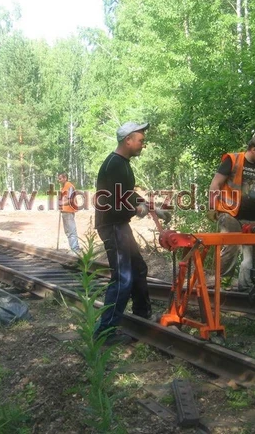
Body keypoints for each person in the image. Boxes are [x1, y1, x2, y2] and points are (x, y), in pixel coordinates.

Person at [94, 121, 170, 345]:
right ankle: (105, 333)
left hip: (119, 224)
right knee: (123, 278)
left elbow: (127, 193)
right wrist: (137, 209)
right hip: (112, 225)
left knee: (138, 269)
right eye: (140, 140)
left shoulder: (123, 163)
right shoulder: (115, 164)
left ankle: (142, 316)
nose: (142, 145)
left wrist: (151, 206)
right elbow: (111, 201)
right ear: (128, 140)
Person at [207, 134, 255, 292]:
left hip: (254, 216)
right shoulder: (233, 160)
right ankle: (222, 283)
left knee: (252, 252)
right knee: (231, 246)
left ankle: (246, 286)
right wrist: (212, 206)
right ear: (253, 149)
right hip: (230, 213)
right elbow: (216, 183)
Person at [57, 173, 80, 252]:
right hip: (65, 211)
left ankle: (75, 249)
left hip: (68, 211)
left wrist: (61, 204)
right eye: (58, 179)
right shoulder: (63, 187)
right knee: (68, 231)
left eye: (60, 178)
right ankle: (73, 248)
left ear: (65, 178)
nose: (59, 180)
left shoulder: (69, 186)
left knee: (71, 231)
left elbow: (70, 200)